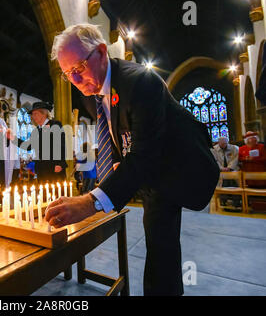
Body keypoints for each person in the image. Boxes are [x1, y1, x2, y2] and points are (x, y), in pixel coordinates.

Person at [45, 24, 219, 295]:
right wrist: (114, 171)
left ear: (101, 52)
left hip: (180, 166)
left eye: (78, 69)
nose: (75, 82)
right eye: (68, 74)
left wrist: (91, 201)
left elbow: (144, 153)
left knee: (162, 243)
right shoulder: (90, 95)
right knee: (160, 244)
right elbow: (115, 132)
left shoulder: (140, 81)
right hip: (150, 172)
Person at [15, 101, 68, 183]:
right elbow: (28, 146)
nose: (33, 116)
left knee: (57, 193)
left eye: (35, 114)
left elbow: (61, 145)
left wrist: (60, 163)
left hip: (54, 167)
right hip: (41, 169)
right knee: (44, 194)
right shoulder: (36, 131)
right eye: (32, 114)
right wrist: (13, 139)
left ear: (44, 114)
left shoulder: (55, 125)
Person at [212, 136, 241, 208]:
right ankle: (223, 201)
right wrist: (221, 168)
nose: (223, 145)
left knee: (234, 186)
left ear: (227, 142)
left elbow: (235, 158)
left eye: (225, 143)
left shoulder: (234, 148)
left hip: (232, 171)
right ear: (218, 143)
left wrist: (229, 167)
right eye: (221, 144)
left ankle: (236, 202)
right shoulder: (213, 149)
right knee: (223, 185)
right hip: (221, 172)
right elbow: (215, 160)